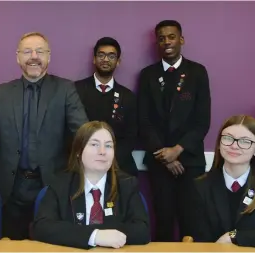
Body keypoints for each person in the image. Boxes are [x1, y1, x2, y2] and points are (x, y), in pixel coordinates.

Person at [0, 32, 88, 239]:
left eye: (40, 51)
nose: (34, 56)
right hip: (11, 188)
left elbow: (83, 132)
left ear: (49, 57)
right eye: (27, 51)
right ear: (18, 57)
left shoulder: (65, 90)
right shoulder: (2, 93)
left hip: (52, 187)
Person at [137, 20, 211, 241]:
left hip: (190, 160)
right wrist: (165, 155)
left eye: (171, 36)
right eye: (161, 38)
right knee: (163, 221)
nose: (166, 42)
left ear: (181, 40)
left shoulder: (198, 72)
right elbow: (144, 120)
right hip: (160, 162)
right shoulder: (148, 75)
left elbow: (202, 121)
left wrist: (177, 150)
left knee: (193, 221)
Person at [32, 121, 150, 249]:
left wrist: (102, 234)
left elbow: (142, 230)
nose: (102, 151)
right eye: (94, 144)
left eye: (109, 146)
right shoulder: (60, 184)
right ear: (78, 151)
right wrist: (94, 236)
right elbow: (41, 227)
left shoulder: (127, 184)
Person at [190, 115, 255, 248]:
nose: (234, 146)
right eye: (228, 138)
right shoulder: (200, 186)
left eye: (245, 141)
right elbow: (200, 237)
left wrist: (234, 237)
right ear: (219, 144)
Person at [75, 37, 138, 176]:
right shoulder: (76, 90)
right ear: (94, 59)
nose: (105, 59)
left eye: (111, 56)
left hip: (117, 164)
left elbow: (131, 135)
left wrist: (110, 159)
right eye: (101, 55)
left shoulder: (128, 96)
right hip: (83, 164)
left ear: (118, 61)